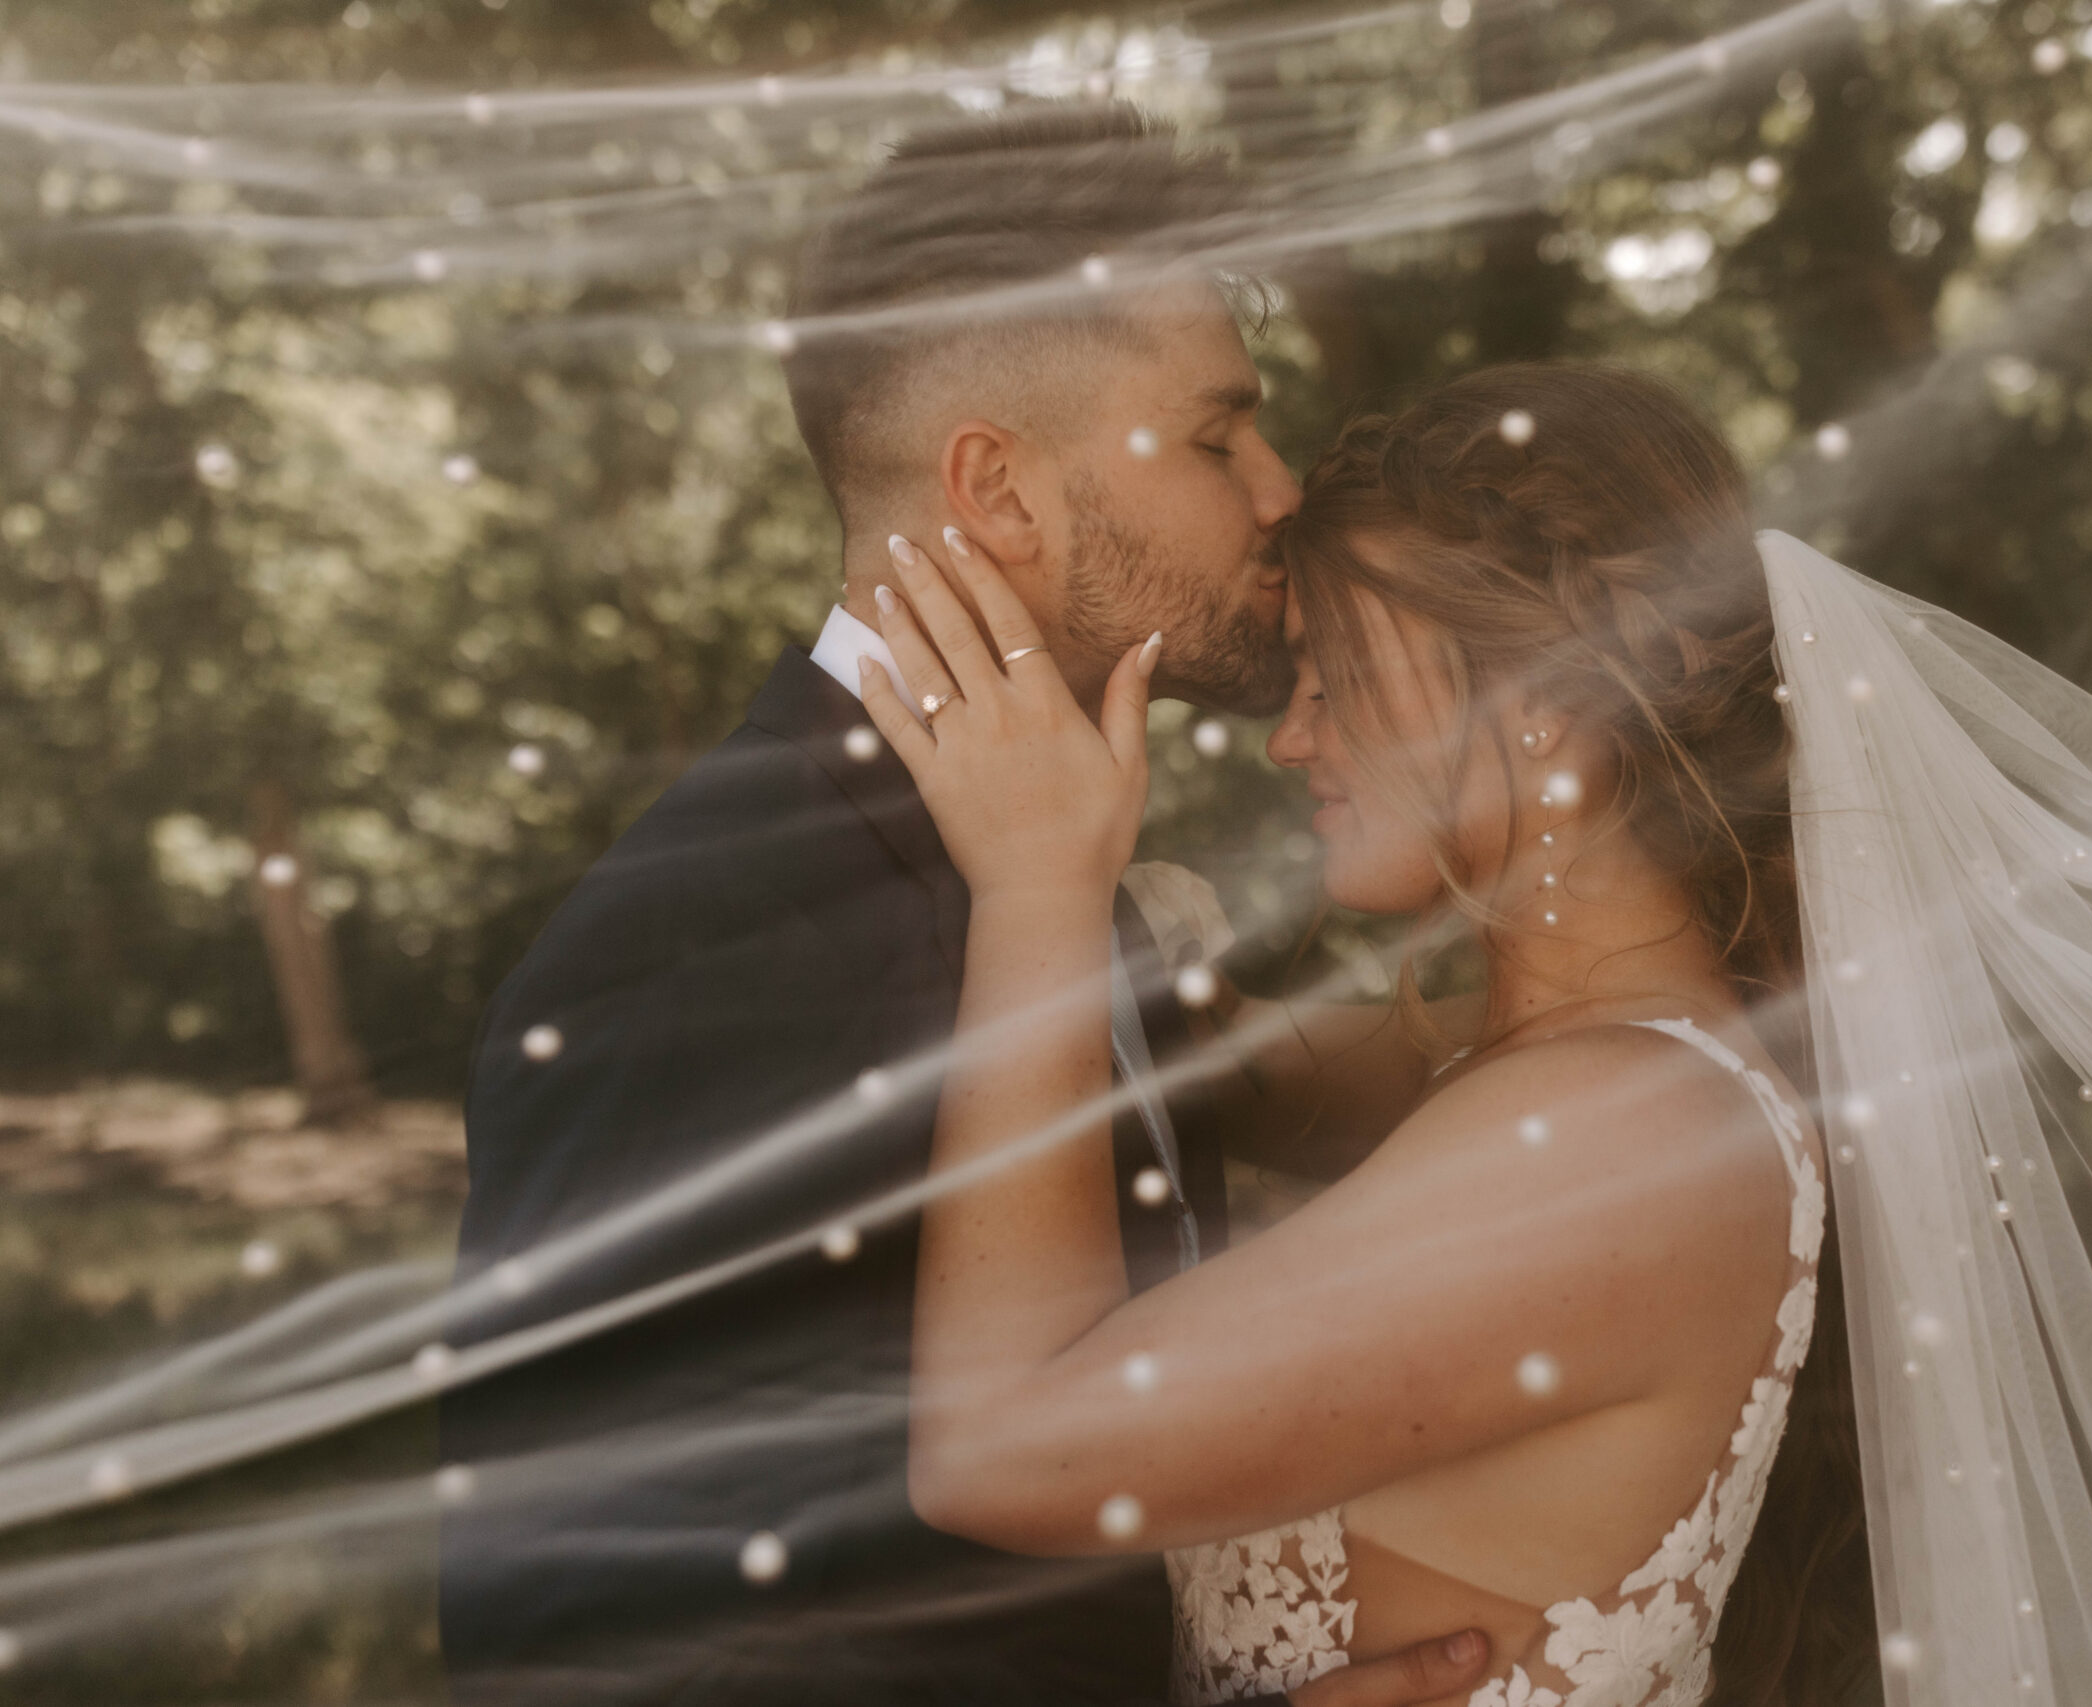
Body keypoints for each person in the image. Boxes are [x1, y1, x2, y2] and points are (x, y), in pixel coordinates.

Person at [438, 104, 1493, 1707]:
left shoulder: (1049, 854)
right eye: (1217, 439)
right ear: (998, 491)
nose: (1279, 491)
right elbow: (583, 1658)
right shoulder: (694, 949)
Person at [859, 365, 1878, 1707]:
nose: (1292, 741)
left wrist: (1040, 890)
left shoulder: (1608, 1138)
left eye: (1338, 682)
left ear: (1550, 705)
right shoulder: (1585, 1061)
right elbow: (1233, 1074)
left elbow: (996, 1455)